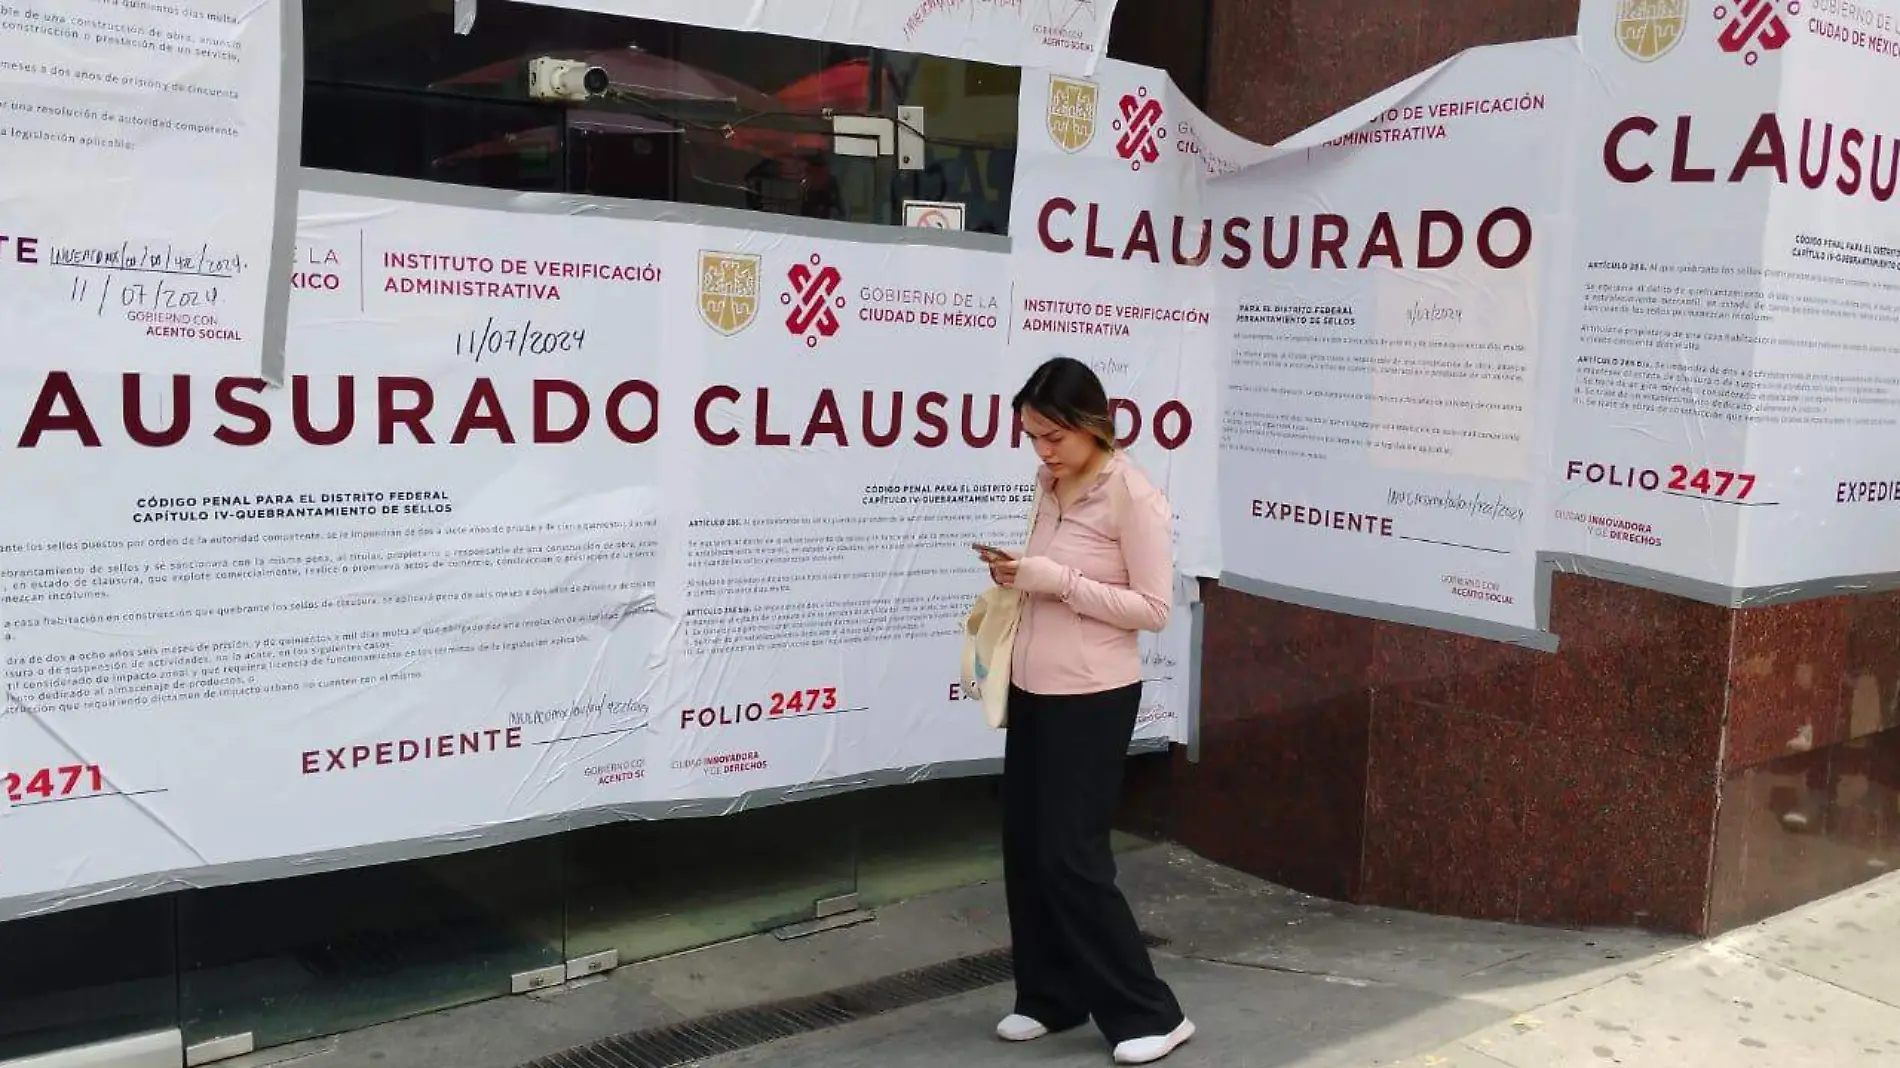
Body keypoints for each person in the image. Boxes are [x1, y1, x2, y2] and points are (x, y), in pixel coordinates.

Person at [978, 356, 1194, 1065]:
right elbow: (1055, 579)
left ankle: (1149, 1012)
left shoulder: (1134, 496)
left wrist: (1057, 581)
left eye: (1053, 437)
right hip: (1036, 690)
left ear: (1092, 425)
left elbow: (1154, 609)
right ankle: (1050, 995)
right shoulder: (1052, 485)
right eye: (1032, 437)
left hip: (1094, 696)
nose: (1041, 451)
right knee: (1028, 846)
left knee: (1073, 857)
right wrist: (1021, 575)